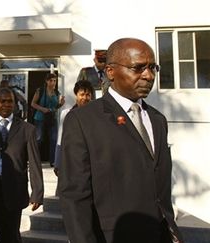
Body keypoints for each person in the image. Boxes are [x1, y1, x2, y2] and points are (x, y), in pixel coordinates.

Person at [58, 38, 183, 243]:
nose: (148, 75)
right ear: (110, 72)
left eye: (153, 67)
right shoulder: (83, 120)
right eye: (138, 68)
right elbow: (74, 196)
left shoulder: (158, 120)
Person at [0, 87, 44, 243]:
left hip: (13, 194)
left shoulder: (27, 130)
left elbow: (34, 162)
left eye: (10, 101)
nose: (7, 105)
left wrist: (37, 192)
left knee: (10, 237)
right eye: (3, 101)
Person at [53, 80, 94, 176]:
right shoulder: (67, 114)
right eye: (82, 94)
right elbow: (60, 139)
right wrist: (58, 162)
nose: (85, 98)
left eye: (88, 95)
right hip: (72, 161)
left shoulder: (95, 115)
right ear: (76, 95)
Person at [30, 73, 65, 166]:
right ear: (46, 81)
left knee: (54, 139)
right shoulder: (40, 91)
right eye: (51, 81)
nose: (53, 83)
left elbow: (55, 107)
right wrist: (43, 109)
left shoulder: (57, 93)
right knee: (39, 138)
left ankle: (53, 161)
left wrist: (61, 104)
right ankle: (33, 160)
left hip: (52, 118)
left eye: (54, 81)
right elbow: (32, 104)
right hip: (40, 118)